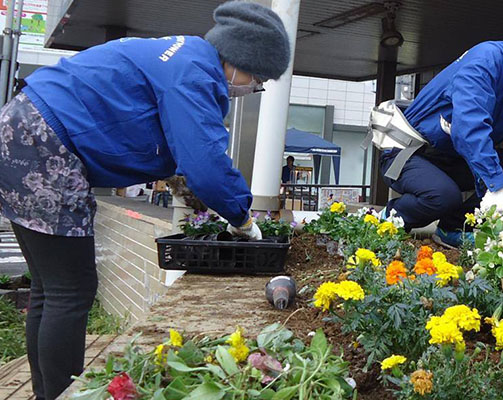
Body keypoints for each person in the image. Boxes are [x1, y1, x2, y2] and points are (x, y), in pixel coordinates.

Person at [0, 2, 289, 398]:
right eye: (258, 79)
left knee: (51, 289)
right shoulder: (194, 73)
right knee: (72, 290)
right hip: (45, 145)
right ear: (240, 60)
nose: (251, 88)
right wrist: (243, 218)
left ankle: (44, 393)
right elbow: (205, 164)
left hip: (24, 130)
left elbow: (163, 137)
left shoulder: (184, 55)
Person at [379, 21, 503, 248]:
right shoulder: (483, 63)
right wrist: (495, 185)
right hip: (410, 153)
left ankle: (453, 228)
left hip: (451, 156)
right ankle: (390, 218)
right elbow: (470, 129)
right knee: (444, 197)